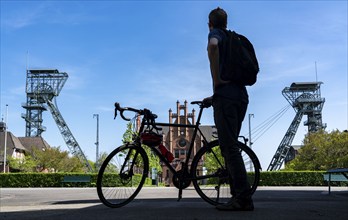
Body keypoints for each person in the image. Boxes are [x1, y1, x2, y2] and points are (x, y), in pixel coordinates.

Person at [205, 7, 253, 211]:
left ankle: (242, 199)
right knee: (228, 146)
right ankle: (237, 196)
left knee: (230, 147)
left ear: (210, 23)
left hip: (226, 97)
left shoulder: (215, 35)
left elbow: (212, 47)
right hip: (241, 96)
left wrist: (216, 82)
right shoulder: (234, 38)